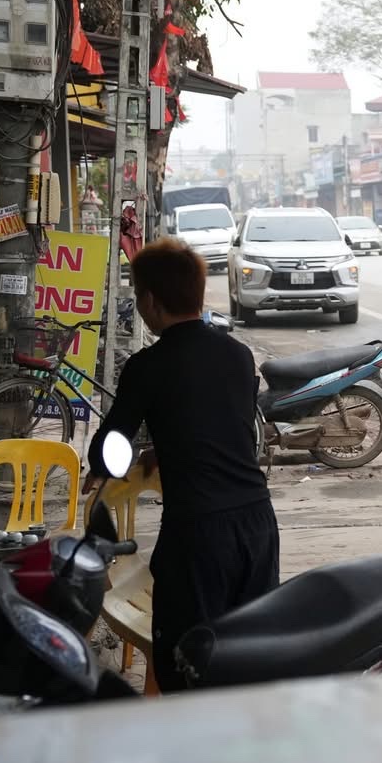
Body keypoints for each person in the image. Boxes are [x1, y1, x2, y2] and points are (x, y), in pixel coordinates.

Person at [88, 239, 278, 692]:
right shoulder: (238, 355)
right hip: (256, 522)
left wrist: (111, 462)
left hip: (198, 535)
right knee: (252, 655)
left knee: (185, 662)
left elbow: (108, 447)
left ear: (151, 300)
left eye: (137, 296)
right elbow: (216, 425)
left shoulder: (147, 366)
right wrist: (167, 449)